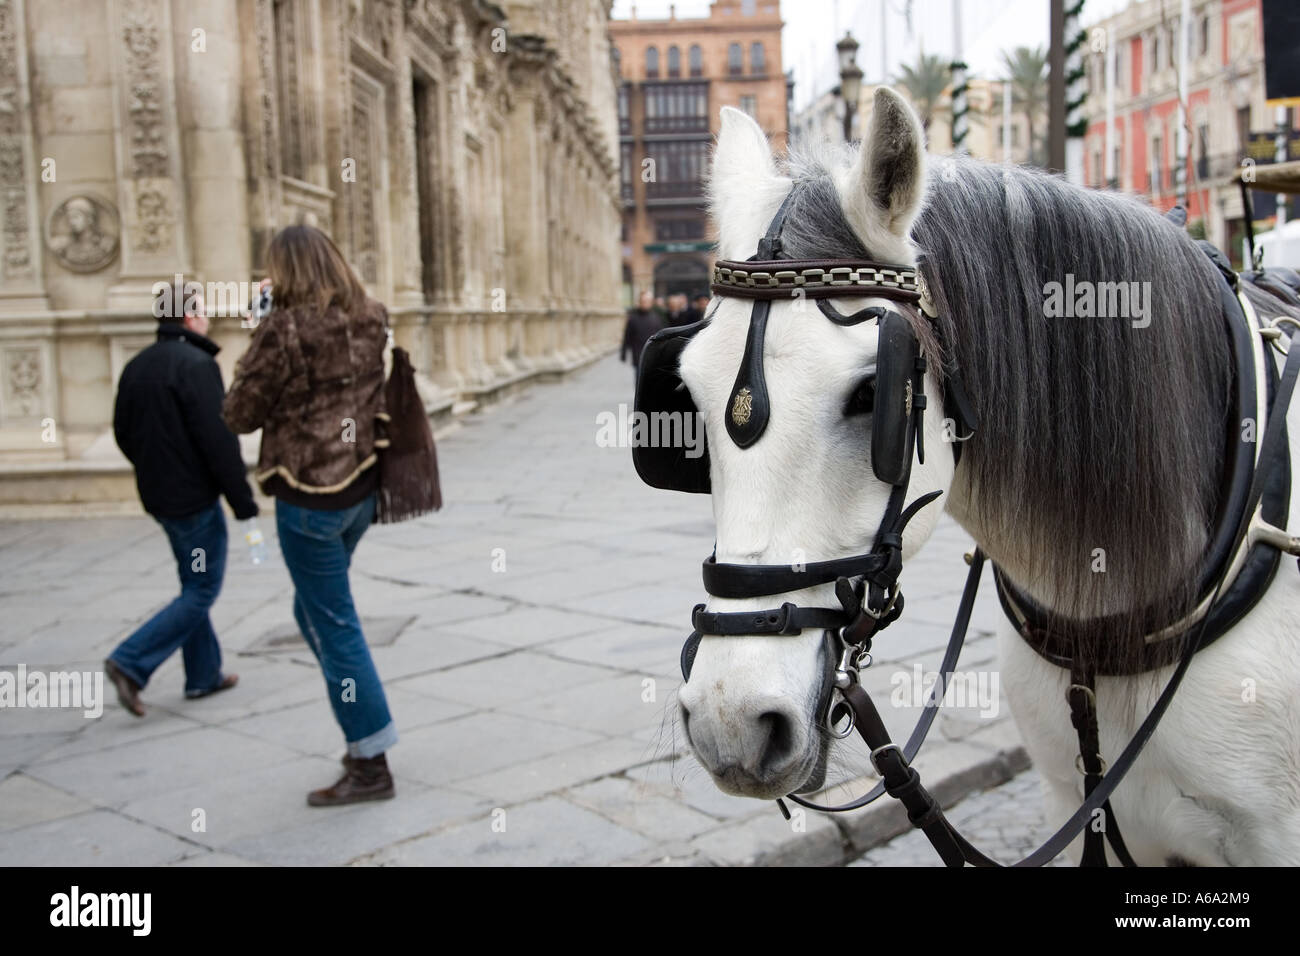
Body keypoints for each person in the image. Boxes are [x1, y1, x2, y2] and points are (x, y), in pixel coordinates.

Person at [223, 225, 397, 807]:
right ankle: (362, 729)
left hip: (307, 496)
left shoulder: (282, 329)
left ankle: (369, 761)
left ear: (286, 272)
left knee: (333, 624)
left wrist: (258, 331)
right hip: (359, 491)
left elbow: (238, 414)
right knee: (315, 610)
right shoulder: (372, 315)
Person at [106, 290, 254, 717]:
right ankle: (130, 661)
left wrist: (154, 469)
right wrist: (241, 499)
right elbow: (218, 438)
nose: (206, 318)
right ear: (190, 317)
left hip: (159, 498)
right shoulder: (196, 365)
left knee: (194, 581)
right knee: (202, 587)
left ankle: (204, 674)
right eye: (202, 311)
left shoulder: (137, 366)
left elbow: (122, 432)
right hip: (193, 500)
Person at [621, 290, 665, 383]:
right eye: (643, 301)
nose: (645, 303)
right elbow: (627, 336)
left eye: (647, 301)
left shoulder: (656, 318)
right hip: (638, 353)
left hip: (652, 354)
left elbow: (661, 337)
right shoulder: (633, 318)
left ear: (650, 303)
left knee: (652, 380)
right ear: (639, 302)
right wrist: (623, 353)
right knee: (639, 379)